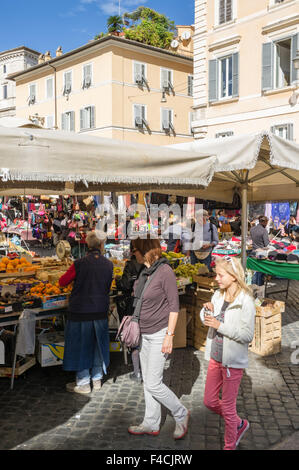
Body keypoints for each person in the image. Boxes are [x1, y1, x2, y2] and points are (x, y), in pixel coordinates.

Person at [127, 237, 190, 440]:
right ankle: (151, 422)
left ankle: (181, 413)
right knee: (148, 381)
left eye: (135, 250)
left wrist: (170, 336)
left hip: (159, 333)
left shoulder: (165, 272)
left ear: (145, 251)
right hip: (143, 333)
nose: (132, 254)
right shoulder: (145, 271)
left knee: (154, 383)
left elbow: (174, 306)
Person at [200, 256, 255, 450]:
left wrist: (220, 325)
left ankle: (230, 445)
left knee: (229, 409)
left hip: (232, 362)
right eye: (216, 274)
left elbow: (247, 335)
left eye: (220, 275)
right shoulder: (218, 295)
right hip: (216, 357)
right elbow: (208, 320)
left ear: (233, 276)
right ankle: (239, 424)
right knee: (209, 401)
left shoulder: (246, 301)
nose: (216, 278)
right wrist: (206, 311)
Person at [59, 231, 113, 394]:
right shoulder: (109, 264)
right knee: (97, 345)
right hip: (100, 311)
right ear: (101, 245)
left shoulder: (80, 263)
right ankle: (96, 379)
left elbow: (62, 281)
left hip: (81, 312)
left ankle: (83, 383)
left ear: (87, 245)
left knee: (82, 346)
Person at [115, 242, 144, 383]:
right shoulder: (149, 264)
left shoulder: (131, 264)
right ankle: (144, 369)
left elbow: (125, 284)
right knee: (143, 335)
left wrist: (117, 280)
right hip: (145, 305)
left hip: (132, 303)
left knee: (134, 335)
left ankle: (137, 371)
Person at [250, 215, 269, 286]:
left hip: (253, 252)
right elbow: (266, 244)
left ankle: (253, 287)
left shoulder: (252, 229)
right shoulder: (264, 231)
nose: (267, 224)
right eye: (267, 222)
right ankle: (259, 289)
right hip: (261, 254)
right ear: (264, 222)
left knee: (255, 272)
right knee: (260, 273)